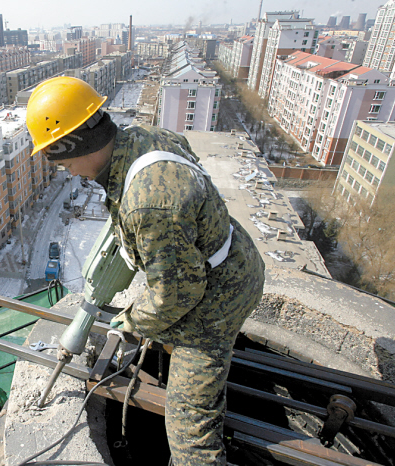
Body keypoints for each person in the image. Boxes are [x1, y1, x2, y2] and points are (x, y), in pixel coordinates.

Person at [26, 76, 265, 465]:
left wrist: (133, 321)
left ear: (72, 143)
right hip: (232, 257)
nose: (67, 170)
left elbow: (178, 295)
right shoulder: (142, 139)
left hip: (219, 296)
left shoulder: (147, 203)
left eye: (61, 159)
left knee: (190, 434)